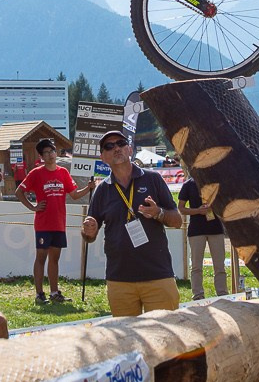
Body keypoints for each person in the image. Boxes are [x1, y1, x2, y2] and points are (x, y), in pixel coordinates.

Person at [80, 128, 183, 316]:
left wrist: (159, 213)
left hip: (157, 276)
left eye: (120, 143)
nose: (116, 148)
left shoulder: (153, 179)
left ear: (130, 149)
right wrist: (88, 230)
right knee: (128, 344)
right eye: (109, 146)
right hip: (120, 280)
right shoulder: (102, 190)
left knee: (167, 341)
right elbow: (90, 236)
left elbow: (177, 221)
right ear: (103, 157)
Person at [10, 137, 76, 304]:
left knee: (55, 259)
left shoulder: (63, 172)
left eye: (52, 151)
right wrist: (33, 207)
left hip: (59, 224)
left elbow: (74, 194)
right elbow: (19, 192)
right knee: (41, 257)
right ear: (41, 157)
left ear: (56, 152)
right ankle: (39, 294)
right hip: (43, 224)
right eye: (45, 153)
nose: (50, 155)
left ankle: (54, 293)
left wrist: (90, 188)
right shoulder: (36, 173)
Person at [179, 164, 234, 300]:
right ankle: (198, 295)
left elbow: (226, 203)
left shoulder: (216, 184)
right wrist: (198, 211)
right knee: (196, 266)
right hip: (196, 230)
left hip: (216, 229)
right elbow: (181, 208)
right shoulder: (188, 185)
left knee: (219, 265)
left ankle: (222, 293)